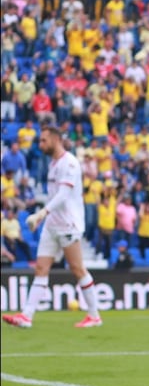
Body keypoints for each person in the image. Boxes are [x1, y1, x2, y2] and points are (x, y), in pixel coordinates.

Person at [3, 125, 103, 329]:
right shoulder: (54, 163)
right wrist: (45, 218)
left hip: (67, 224)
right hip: (52, 225)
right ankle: (27, 316)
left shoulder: (70, 163)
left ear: (56, 140)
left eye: (44, 140)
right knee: (41, 268)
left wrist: (41, 214)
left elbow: (64, 195)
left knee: (77, 269)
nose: (40, 144)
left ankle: (94, 315)